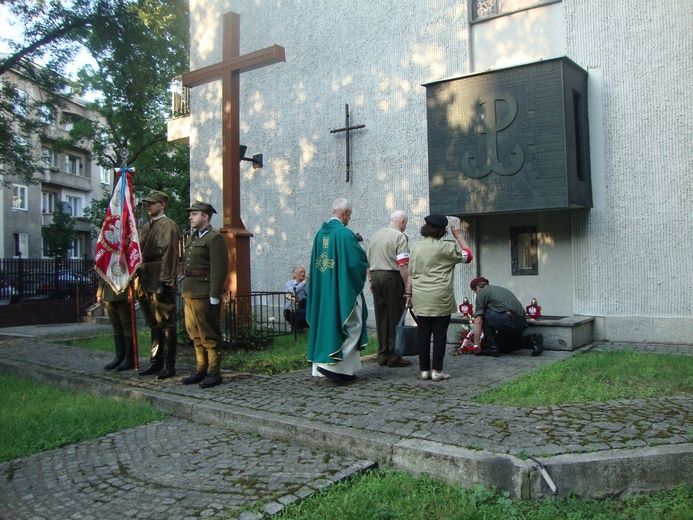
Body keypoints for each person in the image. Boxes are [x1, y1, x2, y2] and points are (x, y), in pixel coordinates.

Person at [307, 198, 369, 384]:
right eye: (349, 214)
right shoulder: (344, 234)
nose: (349, 218)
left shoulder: (320, 234)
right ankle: (336, 368)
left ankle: (329, 367)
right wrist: (363, 252)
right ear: (343, 213)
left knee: (325, 325)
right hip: (341, 289)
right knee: (354, 323)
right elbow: (356, 262)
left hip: (323, 290)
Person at [406, 215, 473, 382]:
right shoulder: (447, 247)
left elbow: (411, 274)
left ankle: (423, 371)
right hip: (440, 295)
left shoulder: (416, 247)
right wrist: (458, 235)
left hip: (421, 295)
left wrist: (409, 294)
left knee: (423, 333)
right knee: (439, 334)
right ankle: (437, 370)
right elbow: (468, 256)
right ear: (442, 230)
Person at [181, 201, 229, 389]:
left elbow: (219, 268)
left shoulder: (214, 238)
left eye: (194, 214)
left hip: (204, 292)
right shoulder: (193, 238)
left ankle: (214, 371)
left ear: (205, 216)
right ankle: (201, 368)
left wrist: (215, 294)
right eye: (191, 214)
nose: (190, 217)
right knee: (194, 333)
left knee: (208, 333)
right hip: (191, 291)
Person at [136, 190, 182, 380]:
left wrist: (165, 280)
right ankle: (156, 362)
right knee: (152, 323)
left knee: (165, 323)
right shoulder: (147, 226)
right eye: (147, 203)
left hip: (160, 277)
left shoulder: (168, 226)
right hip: (145, 277)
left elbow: (170, 254)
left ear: (163, 204)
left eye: (153, 203)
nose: (149, 206)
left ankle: (168, 365)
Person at [366, 210, 411, 368]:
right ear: (402, 222)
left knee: (381, 316)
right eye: (406, 223)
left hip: (376, 275)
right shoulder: (400, 237)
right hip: (392, 276)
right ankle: (394, 355)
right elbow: (403, 263)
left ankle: (382, 353)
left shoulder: (377, 235)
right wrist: (407, 285)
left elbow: (368, 260)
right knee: (395, 315)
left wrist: (371, 280)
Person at [469, 277, 544, 357]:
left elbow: (478, 320)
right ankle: (532, 339)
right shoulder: (501, 289)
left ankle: (492, 346)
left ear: (477, 288)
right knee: (503, 348)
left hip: (507, 321)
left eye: (475, 292)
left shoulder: (482, 293)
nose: (476, 294)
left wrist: (476, 344)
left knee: (483, 312)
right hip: (521, 323)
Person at [97, 279, 134, 371]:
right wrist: (100, 292)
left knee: (127, 326)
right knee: (116, 326)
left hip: (122, 291)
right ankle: (119, 357)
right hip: (108, 291)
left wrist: (131, 291)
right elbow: (103, 270)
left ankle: (129, 358)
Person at [283, 265, 309, 333]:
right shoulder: (289, 283)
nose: (303, 274)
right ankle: (296, 331)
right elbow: (292, 291)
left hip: (303, 307)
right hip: (290, 310)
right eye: (300, 272)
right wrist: (304, 282)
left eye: (304, 272)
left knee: (311, 312)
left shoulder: (307, 284)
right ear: (294, 274)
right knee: (305, 313)